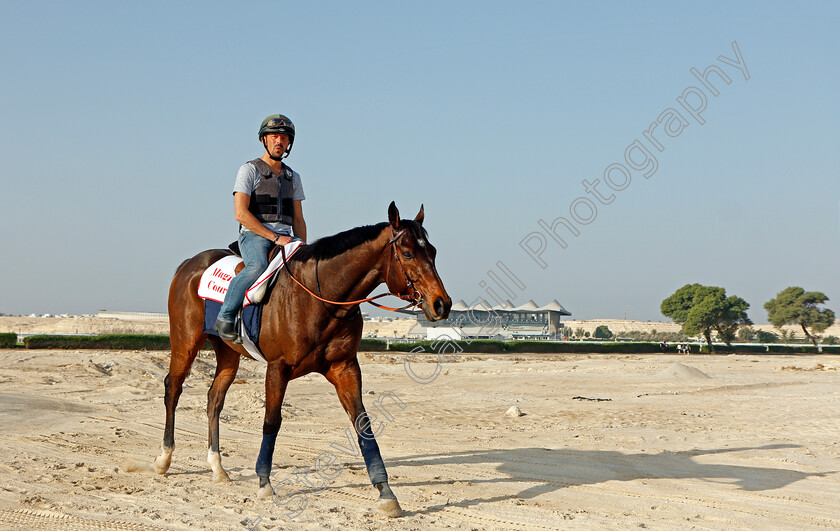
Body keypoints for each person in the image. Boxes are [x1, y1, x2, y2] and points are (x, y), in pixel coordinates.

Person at [213, 114, 307, 341]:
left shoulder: (293, 177)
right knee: (257, 266)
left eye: (284, 138)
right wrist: (274, 237)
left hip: (286, 236)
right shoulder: (249, 170)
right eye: (274, 136)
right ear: (264, 140)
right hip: (255, 235)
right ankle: (225, 316)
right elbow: (240, 213)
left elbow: (299, 219)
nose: (279, 142)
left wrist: (304, 246)